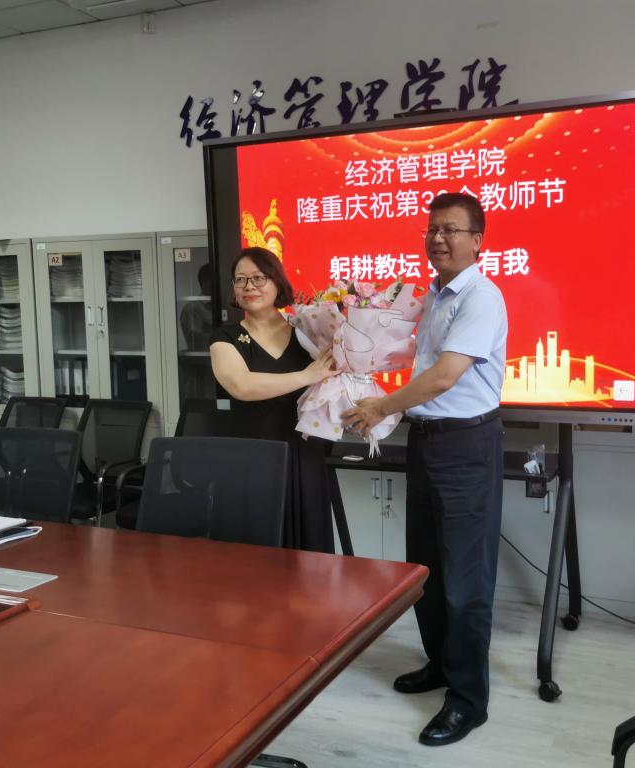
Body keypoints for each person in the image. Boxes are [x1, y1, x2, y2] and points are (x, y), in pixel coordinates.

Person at [341, 192, 507, 746]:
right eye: (432, 229)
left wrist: (380, 407)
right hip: (427, 441)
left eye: (451, 230)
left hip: (467, 445)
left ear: (477, 241)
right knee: (427, 570)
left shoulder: (481, 296)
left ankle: (468, 701)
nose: (438, 238)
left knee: (466, 582)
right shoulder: (433, 295)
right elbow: (421, 370)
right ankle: (440, 664)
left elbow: (444, 377)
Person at [209, 246, 338, 553]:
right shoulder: (224, 338)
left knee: (309, 557)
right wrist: (306, 376)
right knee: (257, 558)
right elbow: (241, 386)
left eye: (258, 278)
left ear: (277, 282)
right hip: (252, 458)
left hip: (304, 455)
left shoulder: (307, 330)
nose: (249, 286)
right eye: (240, 280)